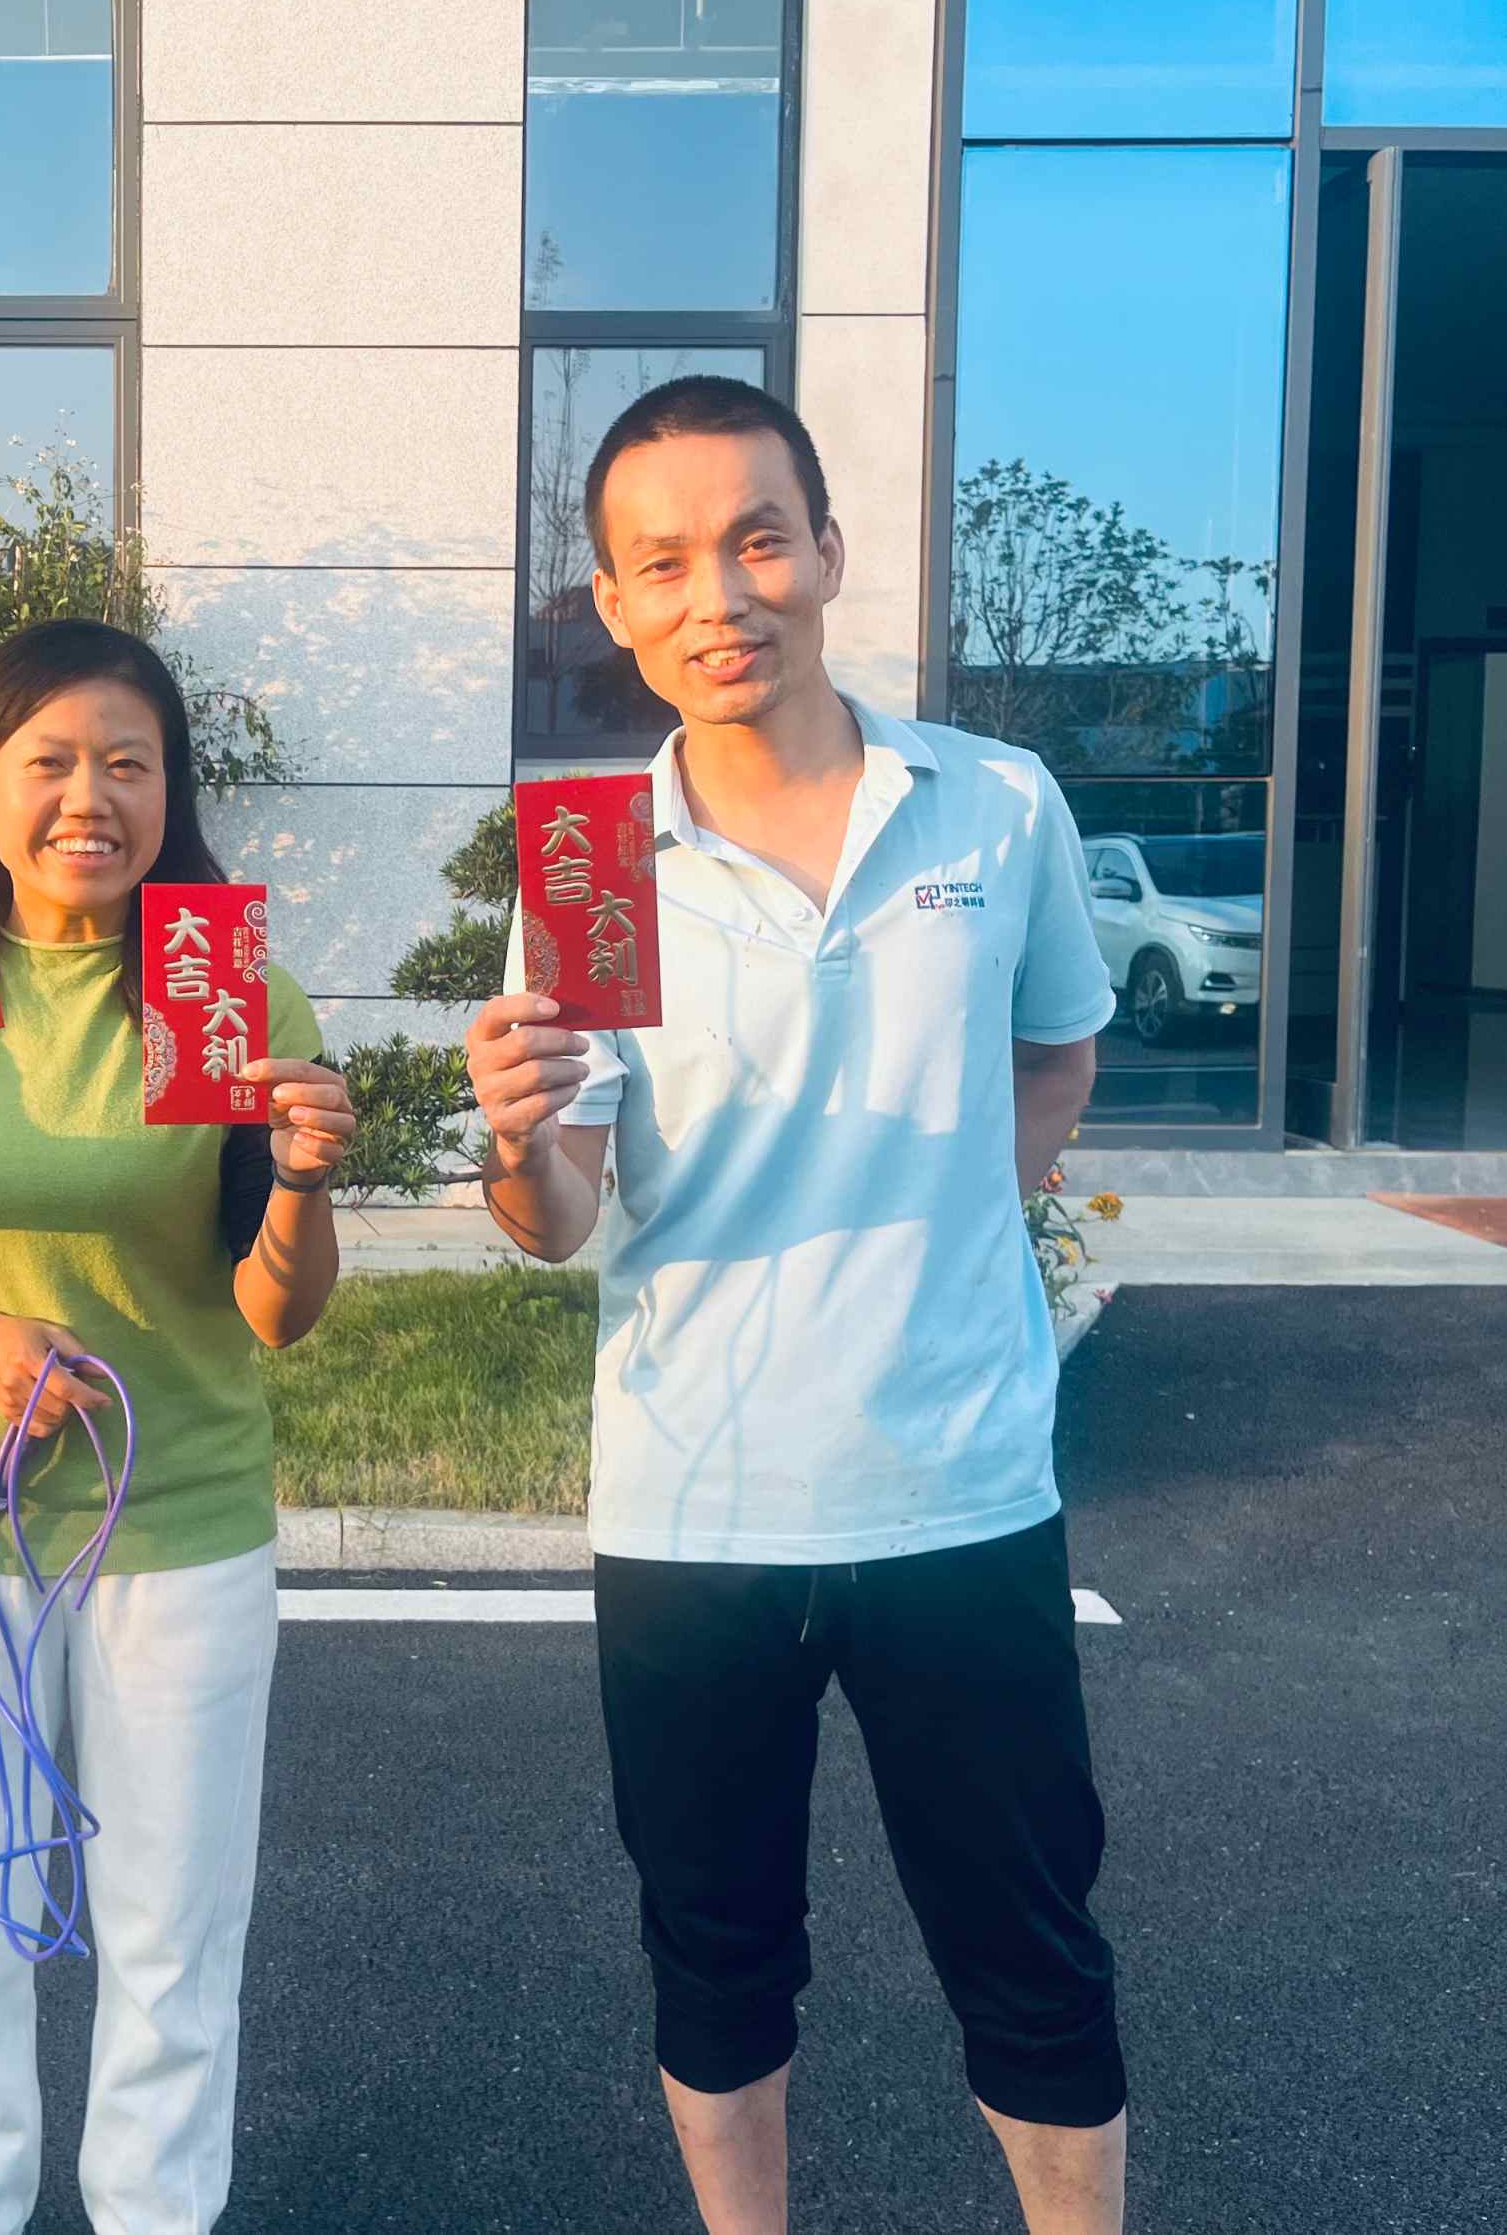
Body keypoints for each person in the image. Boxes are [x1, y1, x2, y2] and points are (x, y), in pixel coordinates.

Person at [464, 377, 1129, 2235]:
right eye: (664, 563)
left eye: (758, 540)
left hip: (957, 1489)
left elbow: (1055, 1054)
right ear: (613, 604)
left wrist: (948, 1221)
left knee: (1030, 1948)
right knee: (716, 1949)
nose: (720, 596)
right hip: (695, 1506)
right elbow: (558, 1215)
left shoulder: (991, 804)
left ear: (826, 551)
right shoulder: (590, 859)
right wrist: (513, 1143)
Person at [0, 620, 359, 2235]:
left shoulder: (225, 988)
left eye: (128, 764)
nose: (88, 799)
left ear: (171, 791)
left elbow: (276, 1312)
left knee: (174, 1930)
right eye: (48, 762)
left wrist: (302, 1178)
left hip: (181, 1519)